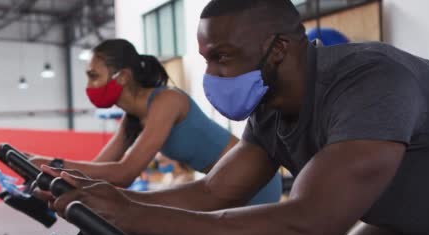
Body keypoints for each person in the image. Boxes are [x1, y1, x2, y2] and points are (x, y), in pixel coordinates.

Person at [42, 0, 429, 235]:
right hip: (413, 213)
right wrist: (114, 205)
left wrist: (134, 216)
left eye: (222, 57)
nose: (212, 75)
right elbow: (215, 190)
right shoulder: (270, 110)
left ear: (279, 48)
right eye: (207, 59)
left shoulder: (370, 83)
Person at [29, 38, 282, 206]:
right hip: (221, 183)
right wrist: (56, 183)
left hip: (254, 180)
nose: (89, 86)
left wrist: (50, 164)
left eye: (94, 76)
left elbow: (125, 171)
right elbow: (99, 168)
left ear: (123, 76)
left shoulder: (168, 101)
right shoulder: (133, 119)